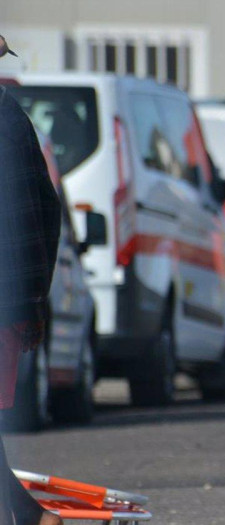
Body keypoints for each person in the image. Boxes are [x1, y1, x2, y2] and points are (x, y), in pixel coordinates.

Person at [0, 58, 65, 525]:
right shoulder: (11, 117)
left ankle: (31, 516)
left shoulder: (7, 119)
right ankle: (30, 515)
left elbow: (39, 211)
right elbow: (46, 210)